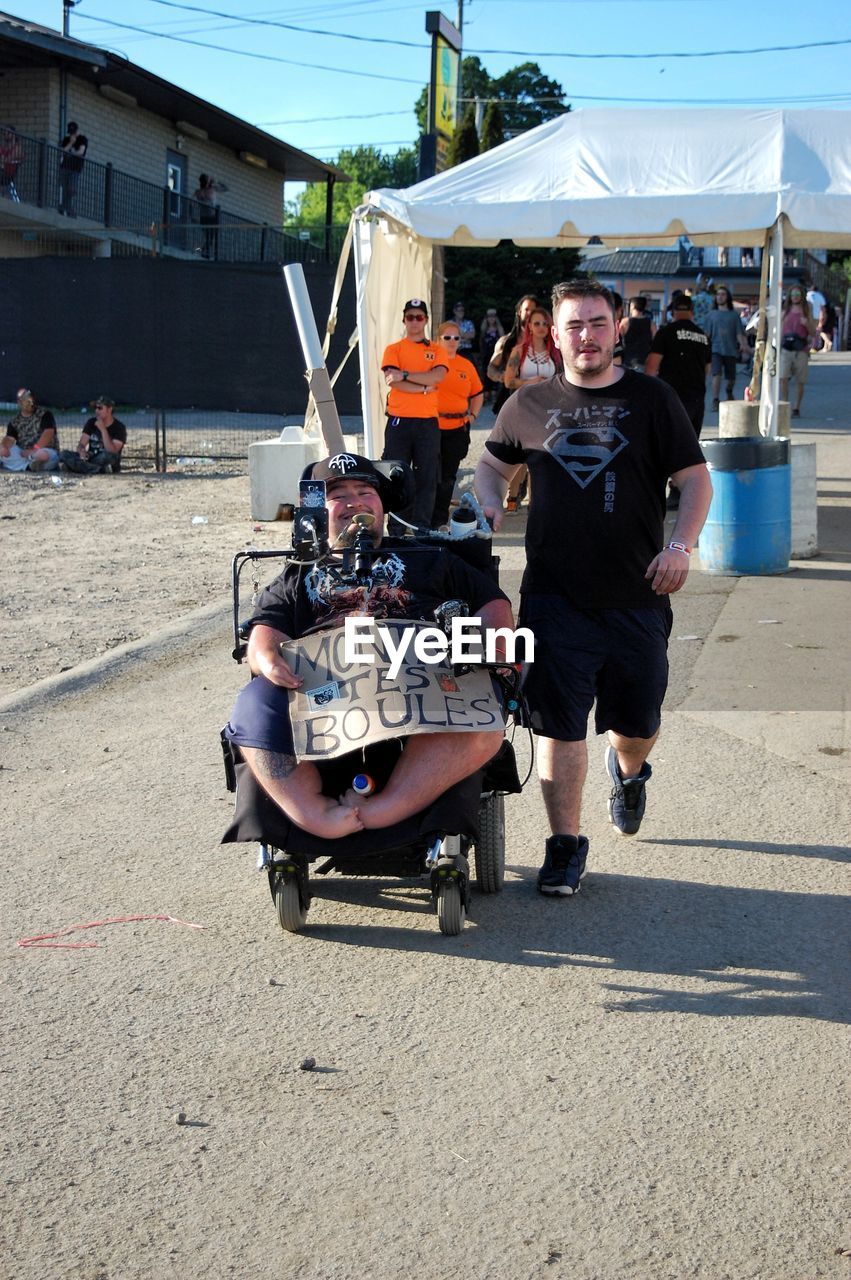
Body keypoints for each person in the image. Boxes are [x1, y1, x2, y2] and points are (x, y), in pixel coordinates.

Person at [474, 279, 712, 897]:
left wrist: (680, 546)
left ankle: (629, 772)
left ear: (618, 329)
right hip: (554, 597)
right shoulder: (527, 404)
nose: (586, 336)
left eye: (597, 323)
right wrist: (488, 502)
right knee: (559, 726)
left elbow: (695, 481)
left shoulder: (654, 400)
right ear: (555, 335)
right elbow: (493, 464)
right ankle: (564, 845)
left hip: (638, 593)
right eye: (574, 326)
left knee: (636, 722)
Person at [222, 453, 514, 838]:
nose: (355, 501)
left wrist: (495, 647)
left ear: (382, 504)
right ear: (316, 510)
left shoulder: (429, 558)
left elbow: (492, 604)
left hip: (420, 683)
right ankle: (312, 812)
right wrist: (266, 658)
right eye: (338, 494)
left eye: (365, 491)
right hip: (324, 691)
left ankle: (387, 807)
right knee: (253, 704)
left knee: (483, 712)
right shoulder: (298, 574)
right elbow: (267, 629)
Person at [380, 298, 448, 530]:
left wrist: (406, 374)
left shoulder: (436, 349)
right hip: (400, 420)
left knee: (426, 476)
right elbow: (393, 381)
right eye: (410, 317)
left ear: (426, 320)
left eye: (419, 317)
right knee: (397, 474)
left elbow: (437, 377)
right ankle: (397, 527)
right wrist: (422, 387)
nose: (415, 322)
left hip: (427, 421)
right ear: (404, 320)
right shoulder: (394, 349)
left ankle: (422, 527)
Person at [645, 292, 711, 507]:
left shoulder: (666, 332)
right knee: (688, 446)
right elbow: (707, 369)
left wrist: (645, 394)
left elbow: (652, 366)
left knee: (661, 445)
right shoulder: (702, 335)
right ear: (691, 311)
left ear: (673, 311)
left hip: (670, 398)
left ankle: (661, 492)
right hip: (696, 398)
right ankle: (680, 491)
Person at [501, 306, 562, 513]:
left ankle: (536, 502)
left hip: (548, 409)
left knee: (542, 455)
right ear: (529, 326)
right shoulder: (519, 351)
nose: (542, 327)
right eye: (537, 323)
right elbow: (508, 381)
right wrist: (530, 382)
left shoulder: (555, 352)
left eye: (545, 323)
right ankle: (513, 495)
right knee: (520, 456)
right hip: (524, 408)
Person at [432, 321, 484, 528]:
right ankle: (421, 517)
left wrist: (473, 415)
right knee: (428, 474)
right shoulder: (430, 363)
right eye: (447, 337)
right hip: (431, 426)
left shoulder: (466, 365)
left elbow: (478, 393)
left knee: (448, 477)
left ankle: (439, 520)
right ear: (438, 339)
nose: (452, 341)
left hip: (457, 427)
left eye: (456, 338)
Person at [705, 285, 748, 408]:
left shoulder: (734, 315)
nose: (720, 297)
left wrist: (743, 346)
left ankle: (729, 391)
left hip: (730, 350)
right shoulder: (711, 315)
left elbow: (739, 333)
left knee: (731, 378)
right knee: (716, 374)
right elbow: (706, 334)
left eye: (723, 294)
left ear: (727, 297)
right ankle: (715, 399)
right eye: (718, 294)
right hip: (715, 349)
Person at [59, 397, 126, 474]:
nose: (96, 411)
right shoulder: (91, 422)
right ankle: (99, 470)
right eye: (95, 408)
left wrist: (103, 430)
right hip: (91, 457)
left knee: (109, 456)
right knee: (63, 454)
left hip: (105, 458)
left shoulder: (119, 427)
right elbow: (81, 444)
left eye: (100, 408)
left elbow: (112, 451)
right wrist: (82, 451)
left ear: (109, 409)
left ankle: (77, 467)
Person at [779, 286, 817, 418]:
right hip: (786, 348)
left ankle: (796, 407)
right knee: (783, 377)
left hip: (801, 349)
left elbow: (813, 332)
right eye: (793, 294)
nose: (795, 296)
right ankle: (785, 403)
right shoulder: (785, 311)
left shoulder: (806, 311)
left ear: (802, 296)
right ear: (789, 296)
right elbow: (778, 331)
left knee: (800, 380)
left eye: (798, 294)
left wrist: (806, 324)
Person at [1, 388, 59, 472]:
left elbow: (48, 433)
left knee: (43, 455)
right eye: (26, 401)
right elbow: (9, 438)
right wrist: (4, 447)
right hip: (23, 453)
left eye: (31, 399)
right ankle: (30, 466)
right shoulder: (14, 422)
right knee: (7, 452)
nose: (30, 403)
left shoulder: (45, 414)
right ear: (19, 402)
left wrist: (34, 450)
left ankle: (29, 464)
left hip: (43, 449)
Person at [193, 173, 228, 258]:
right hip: (209, 217)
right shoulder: (208, 190)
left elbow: (225, 188)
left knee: (209, 238)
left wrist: (216, 181)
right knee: (210, 238)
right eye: (208, 179)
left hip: (207, 217)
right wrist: (216, 181)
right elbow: (225, 188)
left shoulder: (200, 191)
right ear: (207, 181)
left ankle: (203, 252)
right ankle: (203, 252)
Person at [619, 296, 656, 371]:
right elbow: (656, 342)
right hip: (644, 360)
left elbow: (617, 340)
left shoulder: (625, 322)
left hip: (628, 360)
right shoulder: (651, 323)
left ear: (632, 306)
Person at [59, 121, 87, 217]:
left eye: (73, 132)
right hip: (65, 167)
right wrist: (71, 142)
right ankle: (65, 207)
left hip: (75, 168)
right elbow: (63, 151)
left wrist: (71, 153)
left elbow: (81, 152)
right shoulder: (66, 139)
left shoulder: (83, 139)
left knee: (71, 189)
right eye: (70, 133)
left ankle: (67, 207)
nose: (72, 134)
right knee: (65, 188)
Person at [479, 308, 505, 401]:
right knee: (486, 373)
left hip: (496, 355)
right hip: (486, 354)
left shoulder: (499, 329)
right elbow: (481, 342)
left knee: (496, 370)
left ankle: (494, 394)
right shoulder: (484, 329)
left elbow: (503, 341)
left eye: (493, 316)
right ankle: (486, 393)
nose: (491, 319)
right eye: (489, 317)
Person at [0, 125, 23, 202]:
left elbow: (8, 160)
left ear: (13, 135)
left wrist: (3, 160)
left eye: (7, 132)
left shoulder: (17, 148)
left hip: (8, 174)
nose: (5, 134)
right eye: (4, 132)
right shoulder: (4, 147)